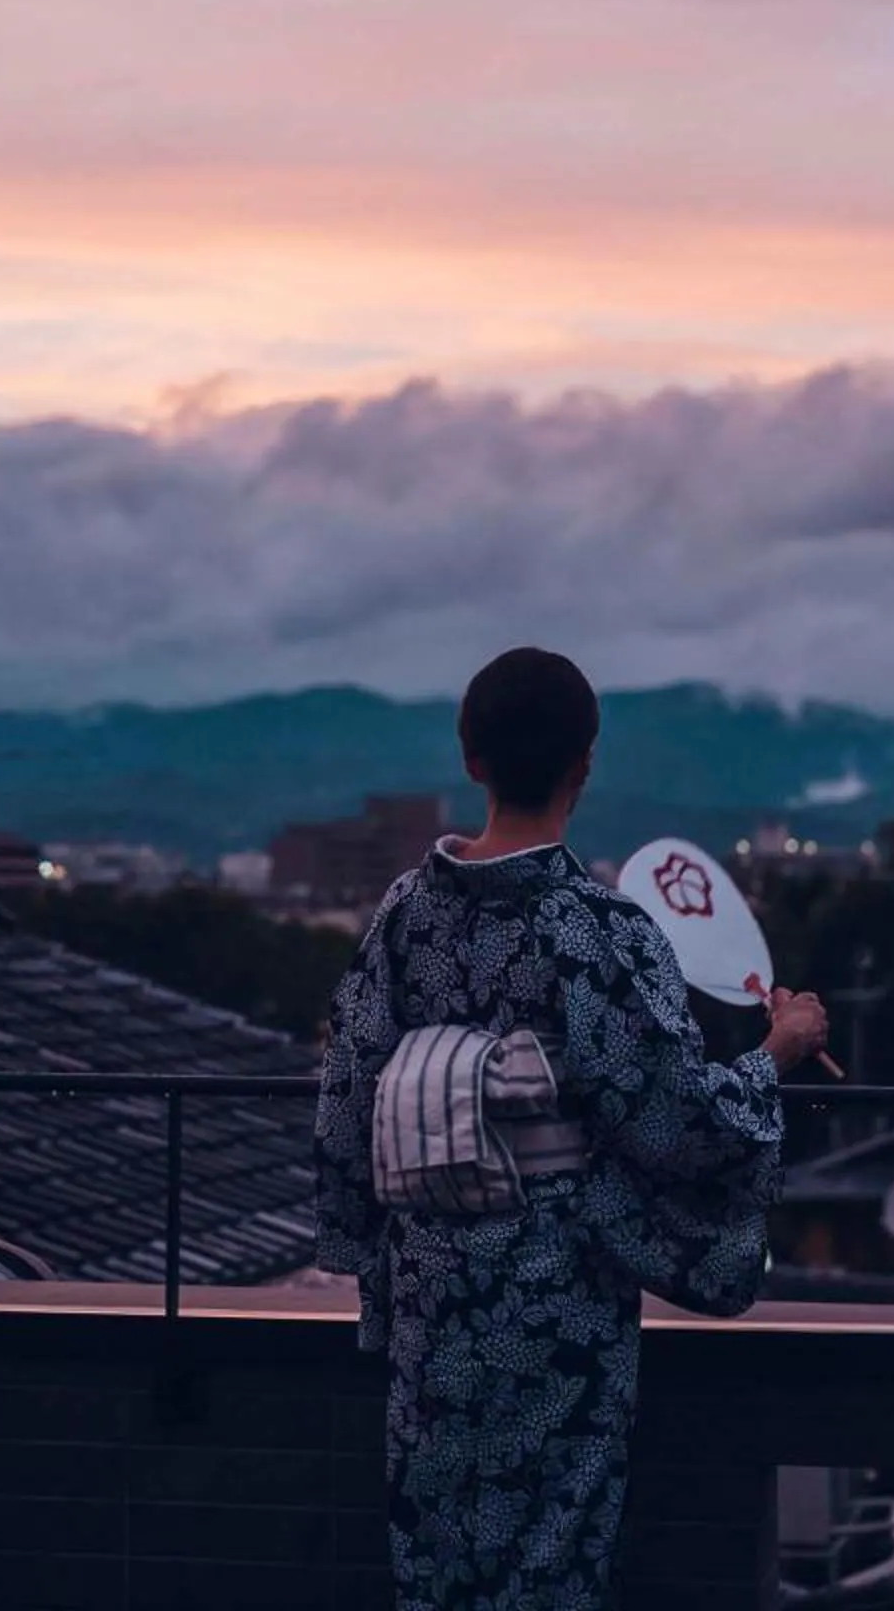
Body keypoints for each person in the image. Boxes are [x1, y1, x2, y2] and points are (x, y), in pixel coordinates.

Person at [313, 646, 829, 1610]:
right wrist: (779, 1051)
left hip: (428, 1282)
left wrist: (364, 1254)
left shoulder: (404, 915)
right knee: (549, 1551)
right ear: (584, 764)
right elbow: (681, 1121)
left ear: (471, 760)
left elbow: (348, 1089)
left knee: (435, 1549)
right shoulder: (595, 928)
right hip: (553, 1297)